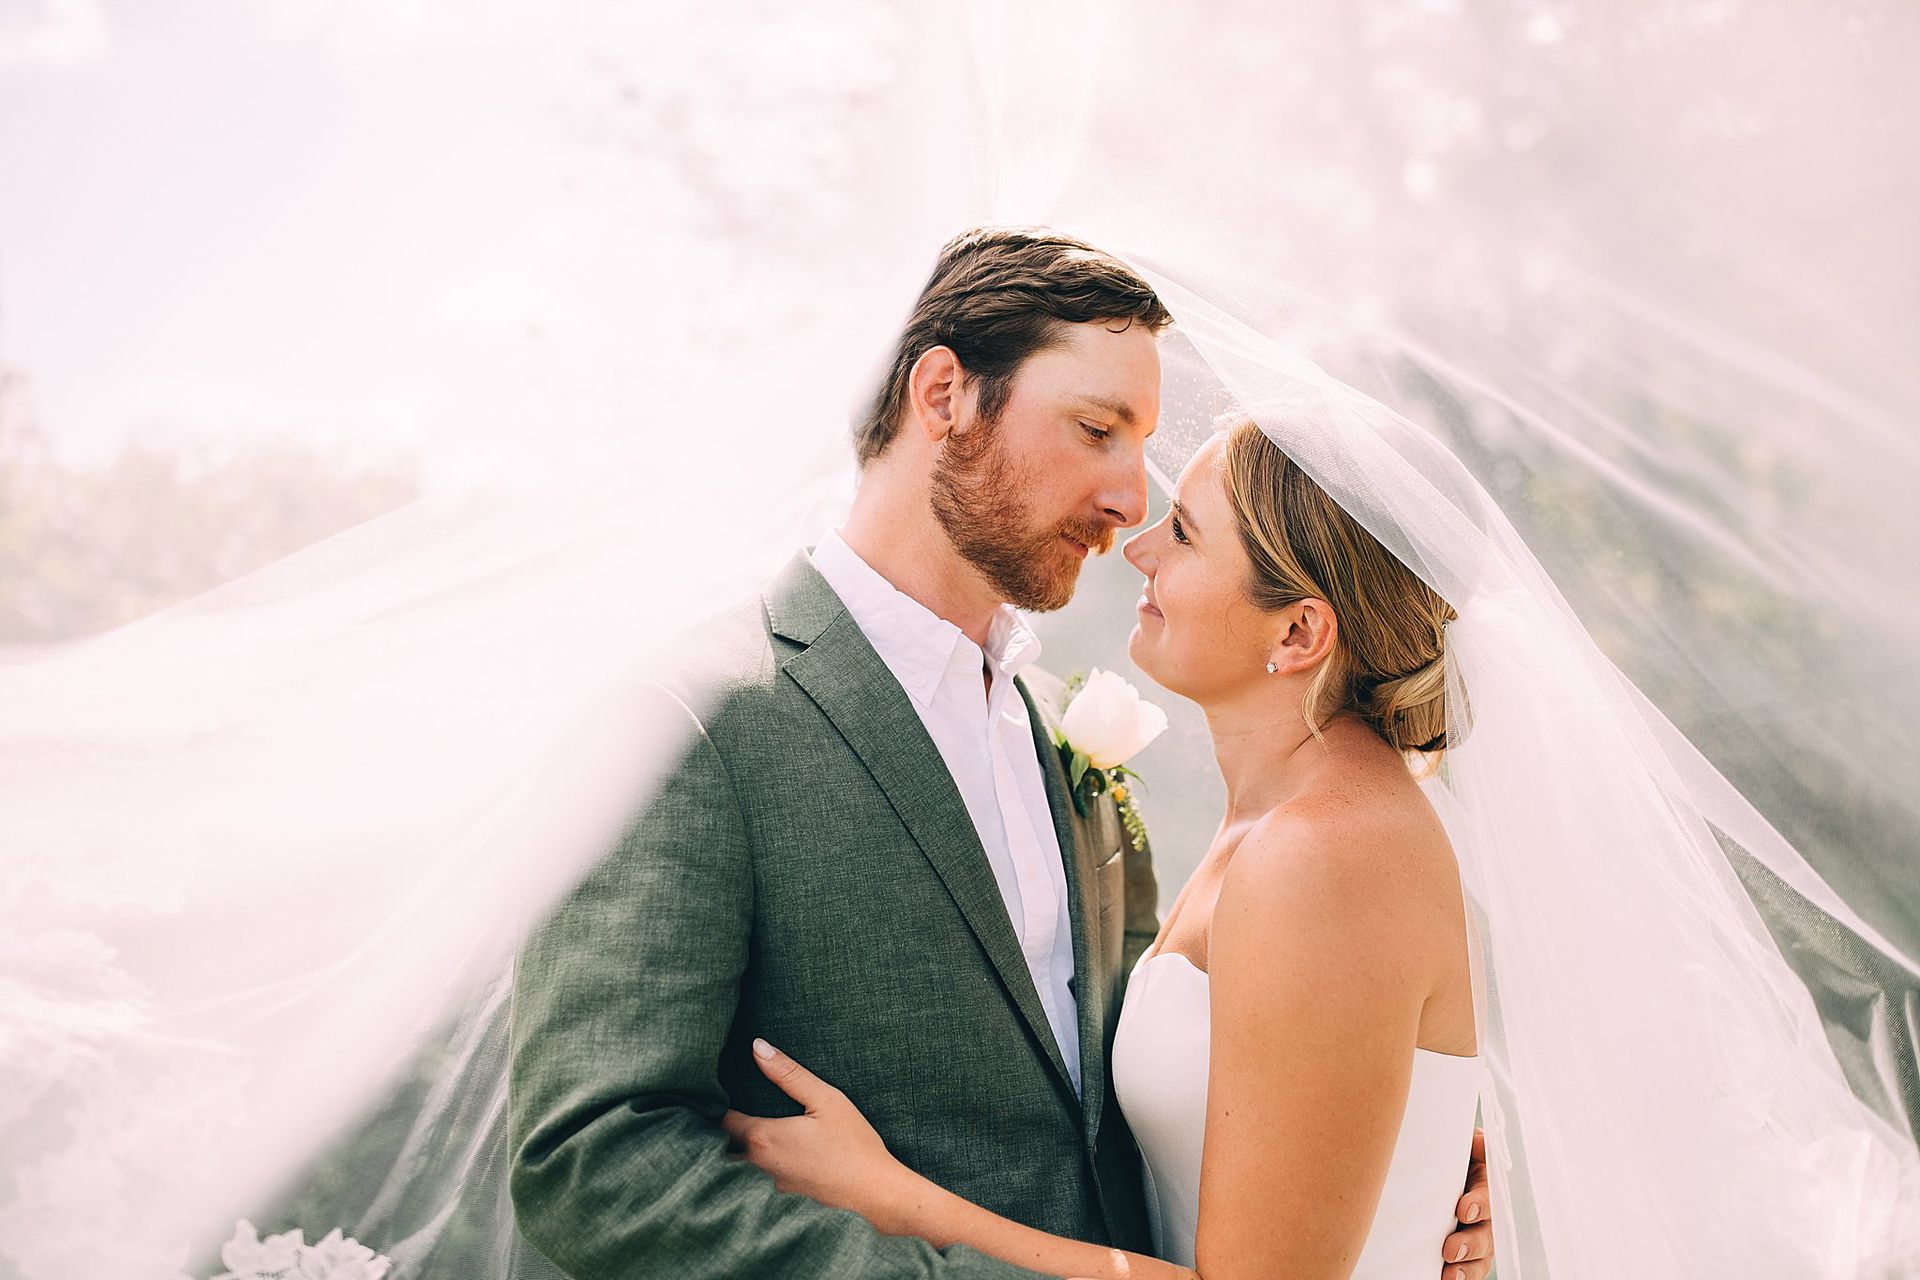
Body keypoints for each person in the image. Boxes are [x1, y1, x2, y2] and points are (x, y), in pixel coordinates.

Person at [506, 227, 1495, 1279]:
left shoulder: (1066, 734)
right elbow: (592, 1156)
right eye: (1096, 429)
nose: (1129, 505)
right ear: (944, 396)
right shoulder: (693, 721)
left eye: (1142, 450)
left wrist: (1399, 1182)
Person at [726, 418, 1483, 1280]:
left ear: (1298, 635)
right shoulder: (1296, 822)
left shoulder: (1324, 855)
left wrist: (892, 1199)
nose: (1140, 547)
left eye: (1187, 534)